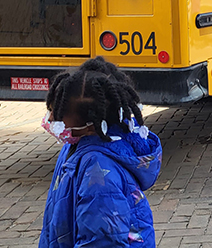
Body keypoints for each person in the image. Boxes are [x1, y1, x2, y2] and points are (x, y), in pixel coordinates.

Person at [39, 57, 162, 248]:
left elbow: (103, 241)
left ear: (90, 126)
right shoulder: (76, 145)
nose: (51, 121)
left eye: (59, 118)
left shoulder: (99, 173)